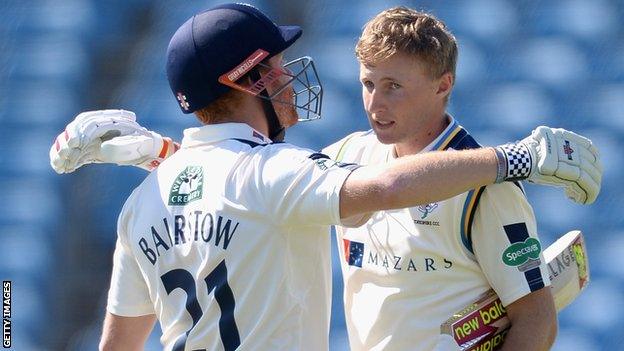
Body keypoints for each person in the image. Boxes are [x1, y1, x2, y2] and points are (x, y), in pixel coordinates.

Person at [49, 4, 602, 351]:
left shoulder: (140, 207)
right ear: (245, 81)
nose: (374, 101)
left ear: (443, 84)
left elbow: (535, 321)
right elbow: (376, 189)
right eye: (369, 83)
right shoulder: (325, 165)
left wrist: (161, 155)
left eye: (394, 85)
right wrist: (520, 158)